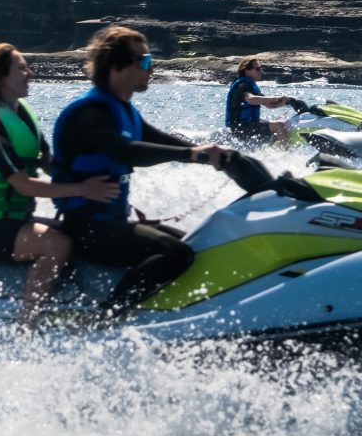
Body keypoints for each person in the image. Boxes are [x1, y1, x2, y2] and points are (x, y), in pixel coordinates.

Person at [49, 25, 232, 317]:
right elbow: (126, 151)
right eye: (145, 61)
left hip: (112, 222)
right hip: (87, 228)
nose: (152, 68)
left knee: (195, 242)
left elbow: (160, 140)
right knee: (175, 253)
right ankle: (108, 317)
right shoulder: (90, 114)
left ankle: (177, 310)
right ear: (116, 66)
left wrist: (213, 154)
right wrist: (192, 155)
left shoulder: (123, 110)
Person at [0, 43, 119, 328]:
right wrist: (83, 189)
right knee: (57, 244)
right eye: (22, 68)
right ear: (0, 76)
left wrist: (98, 177)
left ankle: (78, 304)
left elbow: (50, 164)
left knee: (79, 230)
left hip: (15, 221)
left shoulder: (22, 113)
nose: (30, 73)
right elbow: (24, 185)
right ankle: (27, 324)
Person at [224, 56, 292, 140]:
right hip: (240, 128)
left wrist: (286, 101)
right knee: (279, 126)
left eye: (260, 69)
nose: (261, 71)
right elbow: (251, 99)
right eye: (257, 69)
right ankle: (286, 148)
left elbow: (270, 105)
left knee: (282, 121)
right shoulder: (242, 85)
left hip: (250, 124)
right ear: (246, 71)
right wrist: (275, 97)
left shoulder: (251, 86)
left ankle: (276, 144)